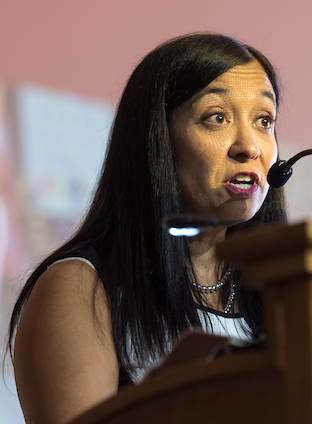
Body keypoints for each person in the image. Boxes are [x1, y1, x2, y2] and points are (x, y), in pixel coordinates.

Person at [7, 33, 287, 424]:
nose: (249, 146)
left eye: (264, 120)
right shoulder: (83, 288)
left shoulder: (284, 296)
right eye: (217, 118)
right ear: (157, 140)